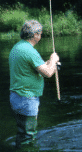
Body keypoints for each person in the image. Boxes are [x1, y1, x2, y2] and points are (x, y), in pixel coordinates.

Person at [9, 20, 60, 149]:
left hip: (17, 97)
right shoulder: (29, 51)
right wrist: (53, 60)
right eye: (40, 33)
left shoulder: (18, 47)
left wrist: (50, 63)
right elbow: (48, 73)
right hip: (26, 99)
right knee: (28, 136)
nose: (41, 35)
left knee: (23, 133)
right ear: (35, 34)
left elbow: (41, 68)